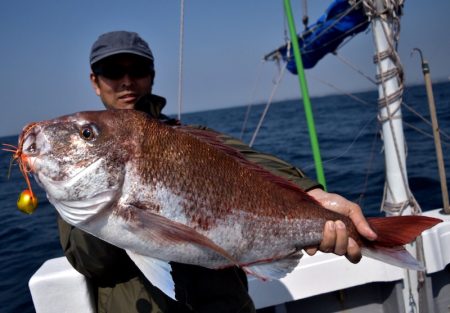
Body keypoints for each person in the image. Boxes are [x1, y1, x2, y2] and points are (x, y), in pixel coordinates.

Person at [58, 31, 377, 313]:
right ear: (95, 81)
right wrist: (111, 202)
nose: (127, 81)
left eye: (137, 70)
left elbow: (251, 162)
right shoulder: (79, 167)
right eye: (113, 71)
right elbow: (89, 261)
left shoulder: (191, 139)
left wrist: (312, 195)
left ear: (152, 75)